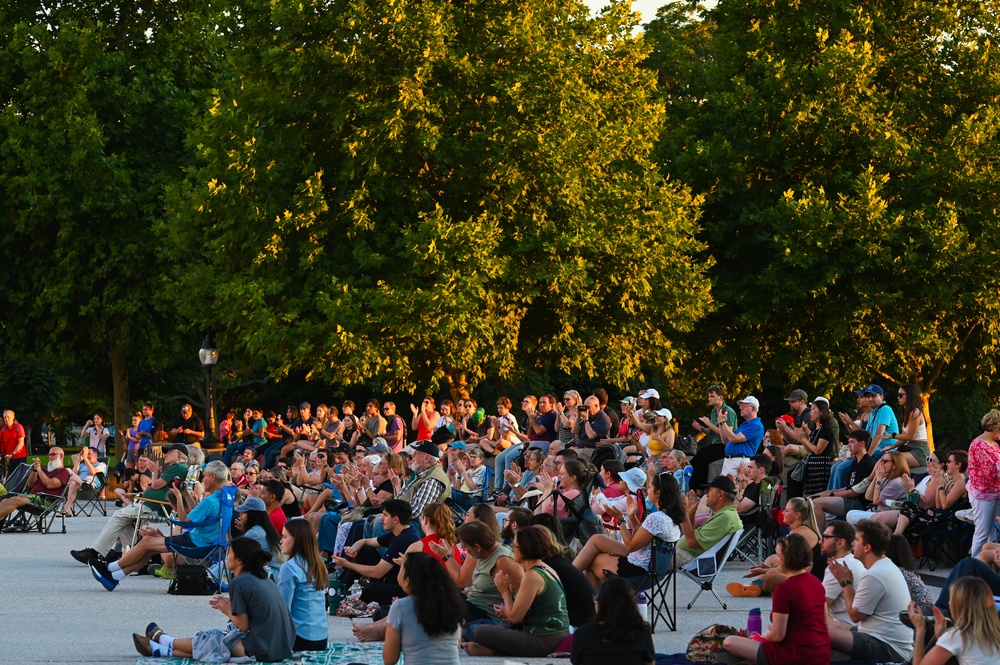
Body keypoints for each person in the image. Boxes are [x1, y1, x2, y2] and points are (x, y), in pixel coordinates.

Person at [132, 537, 294, 661]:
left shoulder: (239, 582)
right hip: (282, 647)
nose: (227, 556)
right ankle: (160, 649)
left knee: (212, 638)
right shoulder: (264, 578)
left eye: (230, 553)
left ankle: (162, 639)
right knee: (216, 640)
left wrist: (228, 611)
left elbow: (243, 626)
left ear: (239, 561)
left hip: (262, 650)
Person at [88, 460, 230, 591]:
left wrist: (179, 497)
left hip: (196, 544)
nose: (203, 480)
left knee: (146, 543)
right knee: (149, 547)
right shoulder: (225, 497)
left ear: (212, 477)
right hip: (211, 544)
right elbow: (196, 517)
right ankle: (113, 577)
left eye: (204, 476)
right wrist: (186, 494)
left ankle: (108, 568)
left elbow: (185, 521)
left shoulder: (209, 501)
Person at [721, 533, 831, 665]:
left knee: (729, 642)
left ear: (788, 558)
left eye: (778, 556)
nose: (776, 560)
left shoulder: (784, 588)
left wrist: (760, 638)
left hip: (796, 654)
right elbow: (825, 622)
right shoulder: (816, 582)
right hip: (822, 651)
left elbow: (778, 636)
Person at [465, 525, 571, 657]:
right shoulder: (547, 568)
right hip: (555, 635)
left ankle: (493, 649)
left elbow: (515, 618)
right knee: (505, 623)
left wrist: (504, 591)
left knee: (480, 632)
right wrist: (507, 611)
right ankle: (493, 649)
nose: (512, 549)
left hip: (543, 640)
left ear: (525, 549)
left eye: (515, 547)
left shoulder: (532, 575)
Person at [573, 472, 684, 587]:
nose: (647, 490)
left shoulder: (656, 518)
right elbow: (639, 537)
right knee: (597, 539)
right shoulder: (669, 516)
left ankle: (568, 583)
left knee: (592, 562)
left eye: (650, 487)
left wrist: (621, 519)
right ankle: (594, 599)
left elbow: (630, 546)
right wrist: (632, 516)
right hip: (653, 568)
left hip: (638, 572)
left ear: (658, 493)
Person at [827, 520, 913, 662]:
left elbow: (855, 616)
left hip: (887, 647)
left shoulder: (875, 574)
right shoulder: (885, 565)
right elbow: (860, 612)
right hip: (882, 638)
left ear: (867, 547)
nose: (853, 543)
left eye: (857, 540)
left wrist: (845, 583)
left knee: (817, 632)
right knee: (827, 624)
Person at [728, 496, 824, 597]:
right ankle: (754, 585)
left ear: (797, 515)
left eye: (786, 511)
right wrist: (769, 567)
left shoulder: (800, 534)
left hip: (811, 578)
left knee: (771, 574)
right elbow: (790, 562)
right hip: (799, 571)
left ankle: (761, 590)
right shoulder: (796, 531)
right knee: (771, 558)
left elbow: (793, 566)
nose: (782, 513)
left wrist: (765, 570)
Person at [384, 551, 465, 665]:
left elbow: (389, 659)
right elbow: (455, 651)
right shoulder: (454, 604)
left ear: (408, 580)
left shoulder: (400, 607)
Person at [333, 499, 420, 605]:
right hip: (390, 579)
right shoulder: (398, 533)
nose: (381, 518)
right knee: (366, 551)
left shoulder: (403, 539)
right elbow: (366, 541)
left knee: (367, 594)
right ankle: (339, 589)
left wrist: (347, 564)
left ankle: (337, 591)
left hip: (400, 589)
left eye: (385, 515)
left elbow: (377, 573)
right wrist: (353, 549)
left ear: (395, 519)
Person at [909, 576, 1000, 665]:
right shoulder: (996, 631)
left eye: (951, 599)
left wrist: (920, 628)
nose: (948, 603)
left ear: (957, 605)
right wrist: (940, 637)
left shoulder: (957, 635)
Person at [570, 576, 655, 665]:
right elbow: (650, 663)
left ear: (599, 604)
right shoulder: (641, 631)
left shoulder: (582, 634)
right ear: (631, 605)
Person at [278, 519, 328, 651]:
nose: (281, 541)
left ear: (297, 540)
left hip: (300, 638)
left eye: (284, 537)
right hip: (321, 638)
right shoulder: (320, 565)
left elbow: (283, 609)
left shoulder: (289, 567)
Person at [810, 430, 875, 531]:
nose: (848, 445)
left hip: (859, 503)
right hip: (852, 499)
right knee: (811, 499)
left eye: (852, 442)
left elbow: (855, 493)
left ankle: (819, 536)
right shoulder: (856, 462)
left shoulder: (867, 464)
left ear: (862, 443)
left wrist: (831, 495)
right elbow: (850, 487)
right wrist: (827, 492)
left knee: (817, 503)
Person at [676, 475, 743, 566]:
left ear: (720, 495)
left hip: (695, 562)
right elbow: (689, 535)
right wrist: (690, 512)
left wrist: (683, 514)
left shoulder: (726, 517)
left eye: (710, 491)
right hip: (689, 556)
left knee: (653, 557)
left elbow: (691, 543)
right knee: (653, 555)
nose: (706, 495)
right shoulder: (725, 514)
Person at [688, 385, 739, 489]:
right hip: (715, 443)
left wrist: (710, 424)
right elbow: (712, 433)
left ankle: (700, 489)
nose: (709, 398)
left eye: (712, 396)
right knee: (695, 459)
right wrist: (701, 428)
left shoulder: (728, 411)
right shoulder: (713, 412)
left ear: (720, 398)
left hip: (725, 445)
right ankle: (695, 488)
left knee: (703, 461)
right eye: (709, 396)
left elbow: (727, 434)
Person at [0, 447, 71, 522]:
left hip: (44, 500)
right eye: (49, 455)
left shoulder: (63, 472)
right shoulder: (46, 471)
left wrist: (39, 470)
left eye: (53, 454)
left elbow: (50, 484)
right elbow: (30, 484)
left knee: (17, 500)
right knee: (6, 500)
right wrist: (34, 470)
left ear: (62, 456)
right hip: (32, 497)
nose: (50, 457)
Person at [819, 521, 867, 625]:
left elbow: (816, 603)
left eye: (825, 537)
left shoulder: (839, 566)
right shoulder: (854, 562)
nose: (820, 541)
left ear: (840, 543)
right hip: (851, 626)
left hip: (847, 628)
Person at [967, 408, 1000, 557]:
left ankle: (991, 567)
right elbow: (990, 472)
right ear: (995, 428)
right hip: (983, 495)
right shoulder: (979, 445)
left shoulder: (994, 444)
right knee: (982, 533)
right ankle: (975, 567)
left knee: (993, 534)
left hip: (994, 493)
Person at [880, 383, 930, 468]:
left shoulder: (915, 413)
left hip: (919, 451)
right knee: (884, 458)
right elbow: (904, 438)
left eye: (901, 395)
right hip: (910, 448)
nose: (898, 398)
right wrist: (891, 447)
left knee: (888, 460)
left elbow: (910, 436)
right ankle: (869, 480)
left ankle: (869, 480)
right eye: (898, 395)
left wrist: (893, 435)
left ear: (910, 396)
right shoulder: (906, 414)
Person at [716, 396, 765, 480]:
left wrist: (723, 422)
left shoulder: (756, 426)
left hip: (739, 461)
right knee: (721, 487)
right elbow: (725, 440)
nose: (741, 408)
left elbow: (734, 439)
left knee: (727, 489)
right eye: (741, 406)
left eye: (744, 406)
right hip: (731, 461)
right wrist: (721, 423)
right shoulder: (745, 424)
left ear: (753, 409)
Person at [62, 446, 108, 515]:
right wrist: (78, 460)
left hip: (90, 488)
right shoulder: (82, 465)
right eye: (86, 454)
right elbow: (73, 474)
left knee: (73, 482)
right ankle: (82, 483)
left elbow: (93, 472)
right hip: (80, 486)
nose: (86, 455)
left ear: (96, 455)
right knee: (69, 471)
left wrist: (85, 458)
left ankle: (67, 510)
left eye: (89, 454)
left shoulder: (101, 465)